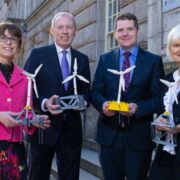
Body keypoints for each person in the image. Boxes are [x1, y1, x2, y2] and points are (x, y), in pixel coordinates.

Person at [91, 13, 164, 180]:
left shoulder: (153, 62)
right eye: (120, 30)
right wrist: (102, 105)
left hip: (139, 138)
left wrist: (138, 108)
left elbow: (159, 99)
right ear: (115, 33)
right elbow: (95, 92)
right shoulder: (105, 60)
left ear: (137, 30)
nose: (125, 33)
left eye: (130, 29)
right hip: (109, 137)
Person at [24, 12, 91, 180]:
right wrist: (45, 103)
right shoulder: (38, 54)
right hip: (43, 128)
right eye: (60, 27)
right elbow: (26, 90)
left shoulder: (82, 59)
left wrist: (82, 103)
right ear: (52, 31)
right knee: (37, 176)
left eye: (69, 27)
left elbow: (87, 92)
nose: (65, 31)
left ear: (75, 31)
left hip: (71, 132)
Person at [0, 22, 50, 180]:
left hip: (15, 149)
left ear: (19, 45)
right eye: (3, 38)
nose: (9, 42)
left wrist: (35, 120)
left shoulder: (25, 77)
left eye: (14, 39)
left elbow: (25, 112)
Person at [148, 25, 180, 180]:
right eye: (176, 45)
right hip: (165, 152)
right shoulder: (167, 79)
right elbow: (164, 112)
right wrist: (161, 122)